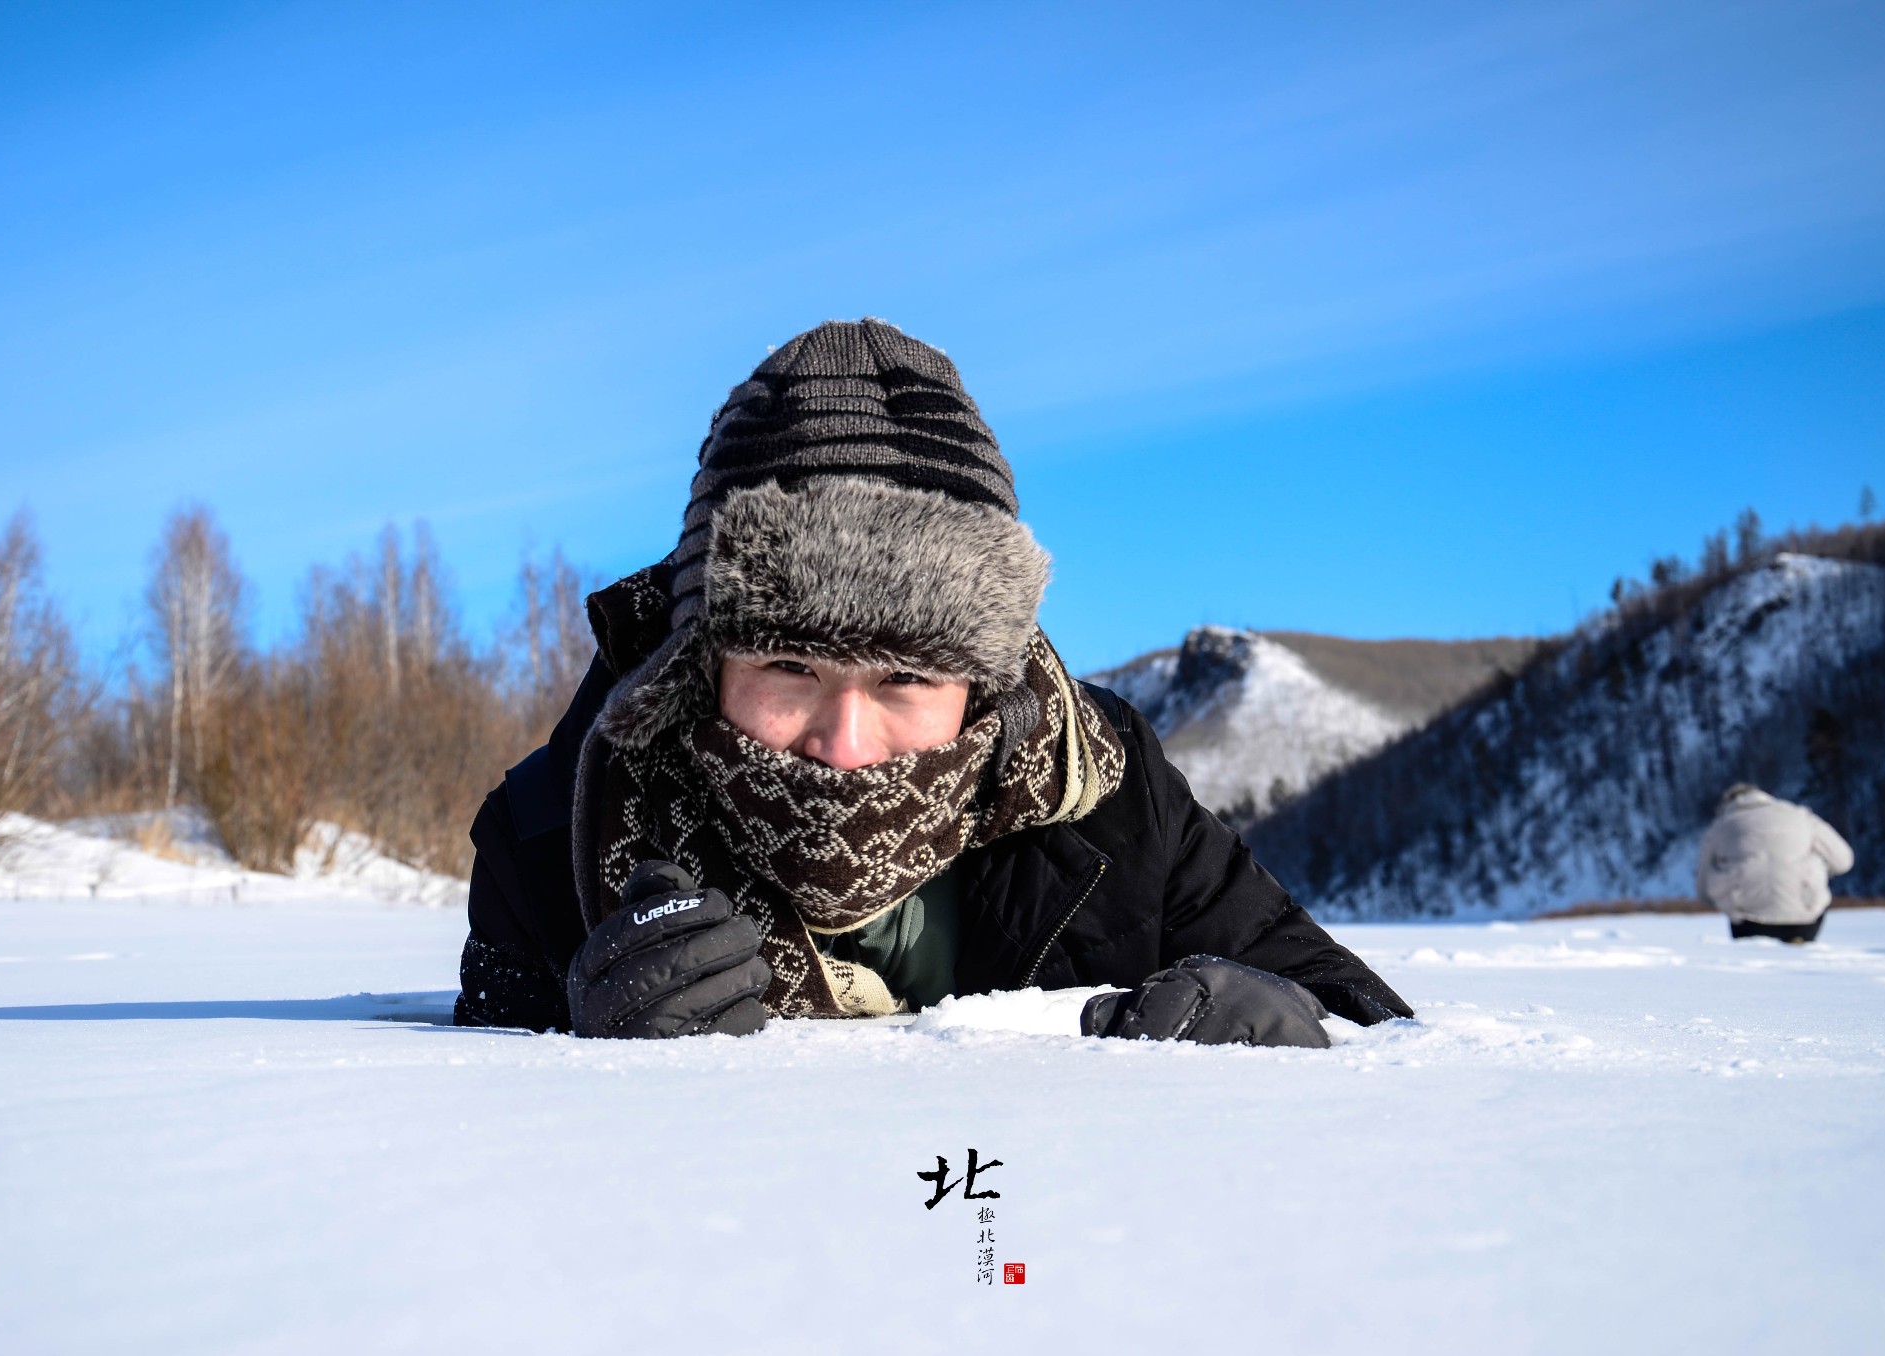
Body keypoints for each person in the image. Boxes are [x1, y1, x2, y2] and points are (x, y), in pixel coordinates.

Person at [454, 318, 1412, 1045]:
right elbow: (464, 1153)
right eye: (790, 664)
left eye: (906, 676)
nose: (845, 744)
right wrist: (580, 1045)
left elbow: (1376, 1027)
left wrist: (1289, 1023)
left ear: (983, 685)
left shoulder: (1118, 797)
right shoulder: (544, 840)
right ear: (700, 663)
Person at [1697, 783, 1855, 943]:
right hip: (1805, 919)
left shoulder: (1720, 826)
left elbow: (1703, 888)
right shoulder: (1801, 816)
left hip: (1747, 923)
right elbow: (1844, 861)